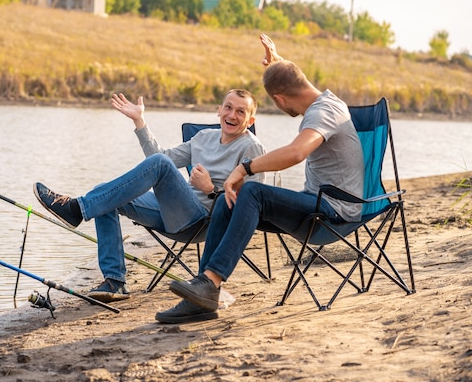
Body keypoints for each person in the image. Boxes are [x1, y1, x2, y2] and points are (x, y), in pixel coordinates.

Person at [155, 34, 365, 323]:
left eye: (276, 102)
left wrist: (244, 168)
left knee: (251, 191)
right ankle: (204, 292)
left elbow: (296, 152)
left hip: (336, 211)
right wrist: (277, 64)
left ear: (279, 98)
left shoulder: (323, 112)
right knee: (233, 197)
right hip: (317, 201)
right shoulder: (323, 101)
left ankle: (210, 283)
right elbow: (292, 79)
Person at [33, 89, 266, 310]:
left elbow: (250, 203)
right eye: (228, 107)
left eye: (240, 111)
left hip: (202, 221)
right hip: (175, 212)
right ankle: (115, 281)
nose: (232, 115)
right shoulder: (203, 137)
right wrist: (139, 122)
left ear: (251, 120)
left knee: (155, 167)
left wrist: (212, 189)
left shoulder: (251, 148)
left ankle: (76, 208)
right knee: (104, 194)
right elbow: (162, 158)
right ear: (219, 110)